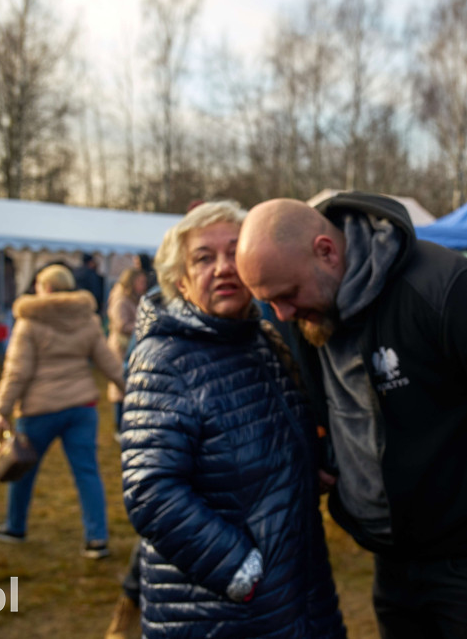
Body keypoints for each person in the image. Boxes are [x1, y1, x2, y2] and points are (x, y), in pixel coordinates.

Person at [235, 194, 467, 639]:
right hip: (392, 558)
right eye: (269, 302)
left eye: (287, 295)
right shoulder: (307, 308)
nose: (281, 313)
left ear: (326, 251)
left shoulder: (451, 289)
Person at [116, 200, 345, 639]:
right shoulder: (165, 358)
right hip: (222, 609)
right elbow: (151, 490)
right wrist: (239, 568)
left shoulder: (262, 341)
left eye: (234, 253)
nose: (223, 268)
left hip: (299, 587)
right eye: (204, 258)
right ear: (180, 280)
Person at [0, 263, 123, 559]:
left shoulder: (29, 322)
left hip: (39, 409)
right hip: (82, 407)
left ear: (45, 287)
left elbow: (17, 372)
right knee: (87, 473)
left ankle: (16, 526)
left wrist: (2, 408)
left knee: (22, 470)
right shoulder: (87, 319)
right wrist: (132, 389)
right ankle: (97, 538)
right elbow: (109, 361)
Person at [106, 267, 147, 432]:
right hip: (121, 347)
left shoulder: (134, 298)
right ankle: (118, 424)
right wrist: (143, 326)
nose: (143, 285)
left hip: (130, 345)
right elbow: (121, 325)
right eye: (140, 282)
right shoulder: (121, 300)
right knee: (120, 384)